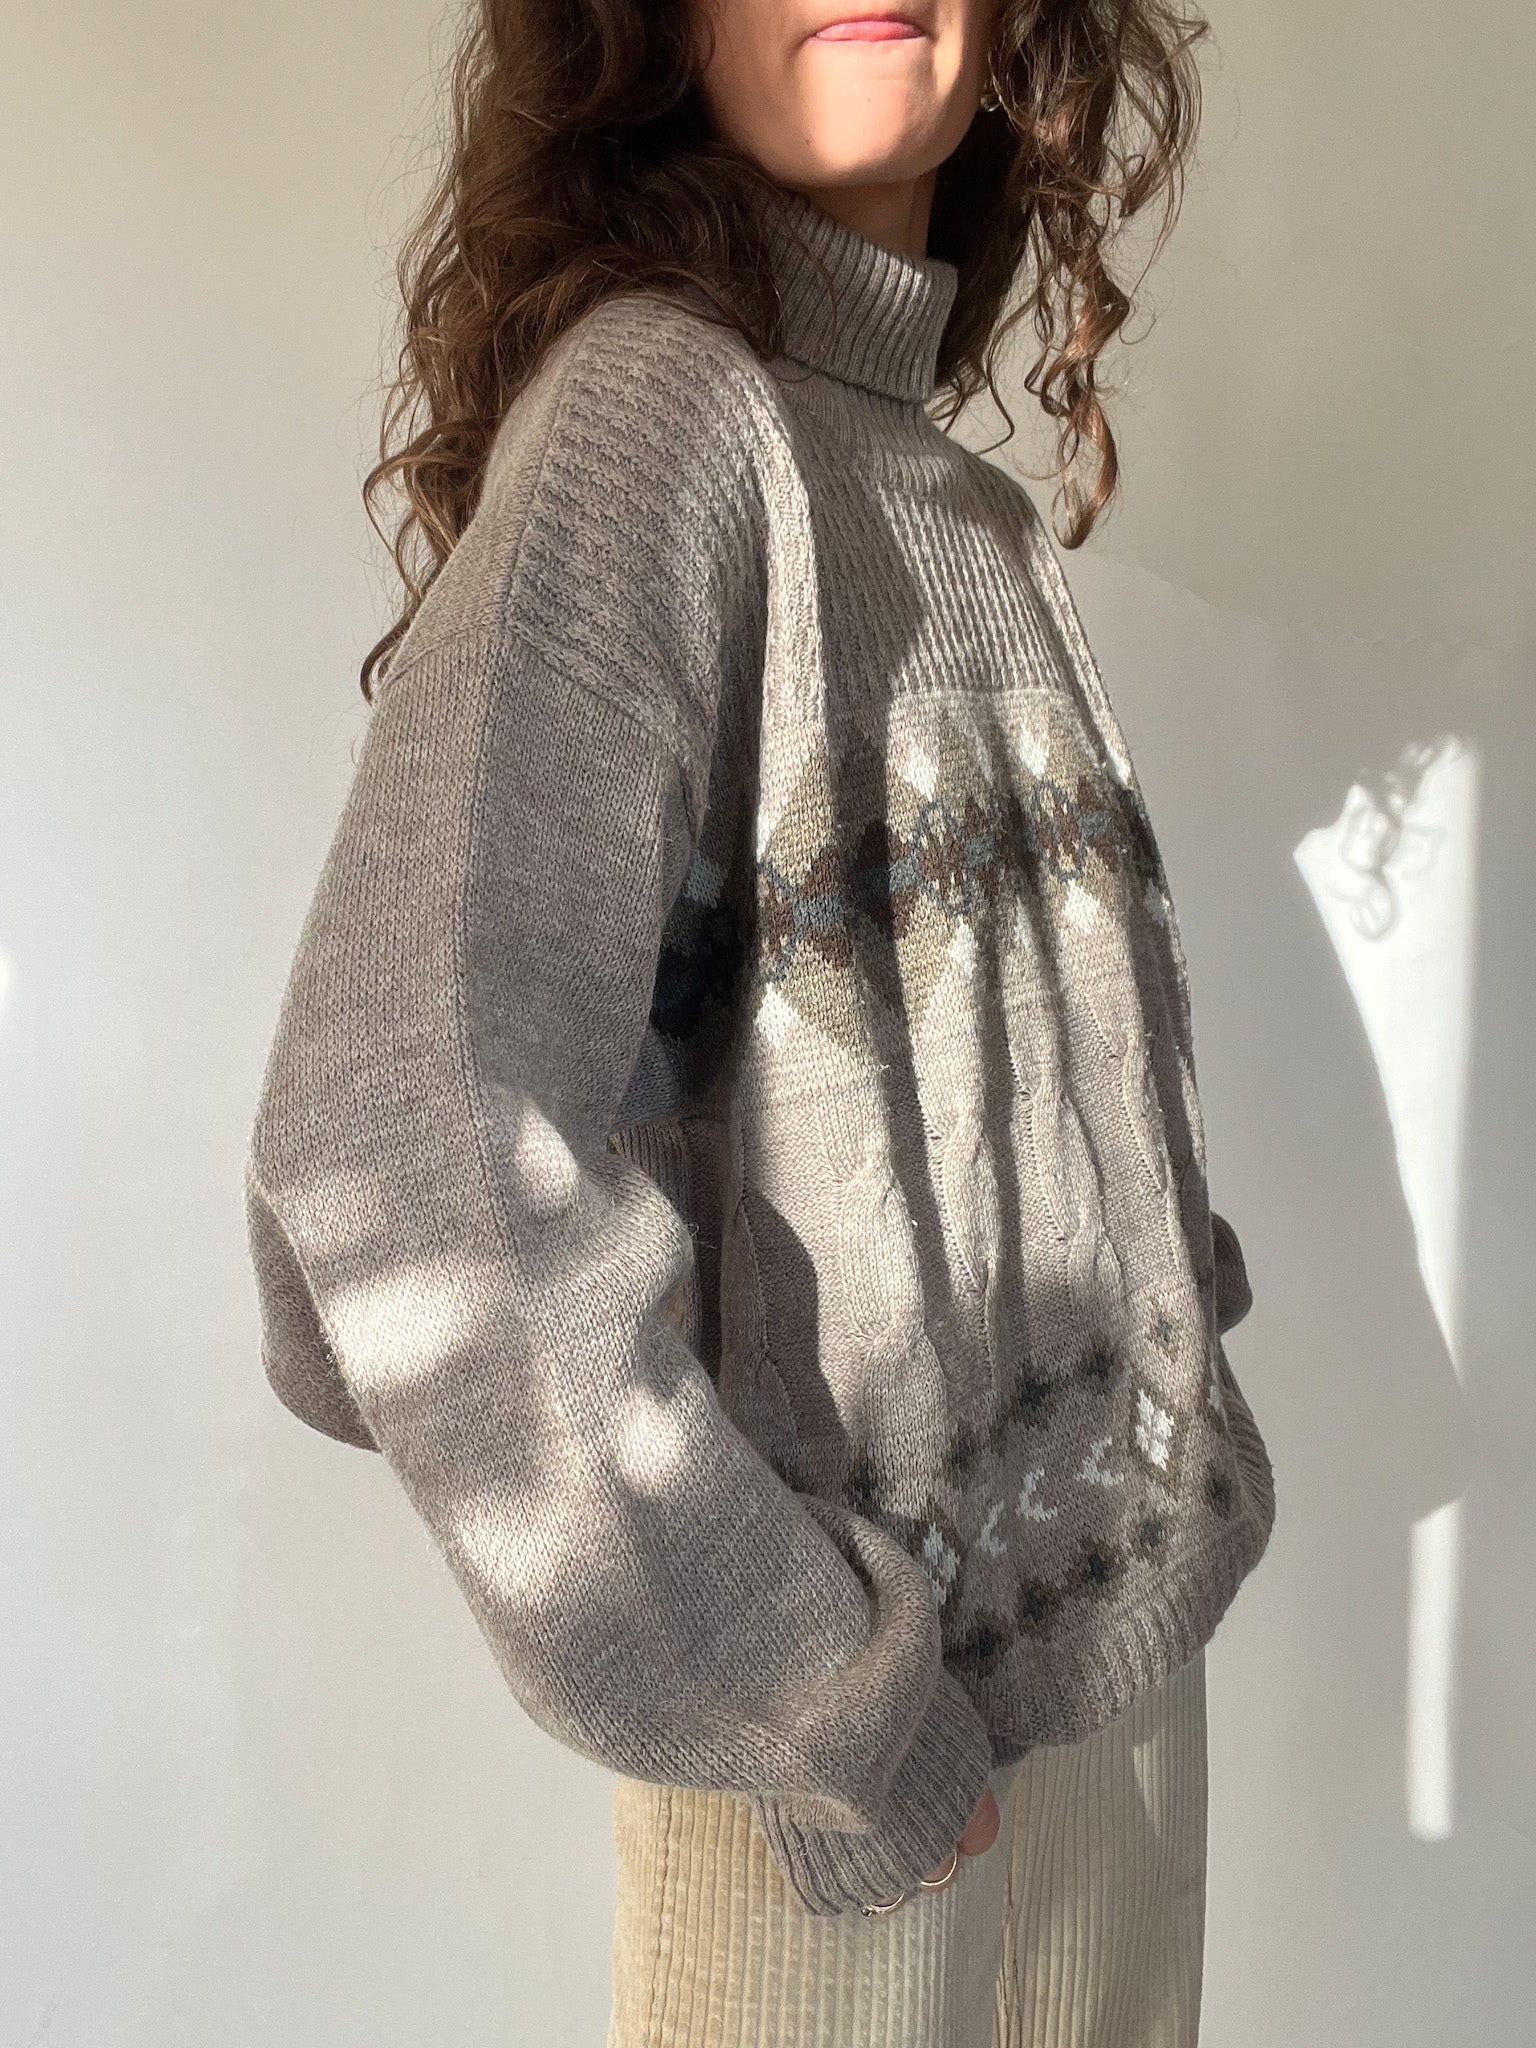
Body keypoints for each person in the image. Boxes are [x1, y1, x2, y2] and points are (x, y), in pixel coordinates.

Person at [244, 0, 1276, 2039]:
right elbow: (398, 1138)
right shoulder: (662, 417)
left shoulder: (963, 510)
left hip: (1125, 1676)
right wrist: (806, 1687)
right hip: (860, 1791)